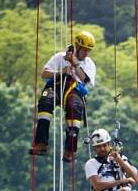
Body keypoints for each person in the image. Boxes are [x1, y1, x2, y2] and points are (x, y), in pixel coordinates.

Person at [30, 30, 96, 162]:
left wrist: (75, 63)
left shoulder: (88, 64)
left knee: (74, 107)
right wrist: (61, 71)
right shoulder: (59, 57)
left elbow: (86, 81)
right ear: (77, 47)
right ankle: (41, 143)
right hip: (56, 85)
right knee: (45, 102)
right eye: (84, 49)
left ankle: (70, 150)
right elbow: (44, 74)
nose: (86, 53)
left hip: (74, 89)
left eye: (88, 50)